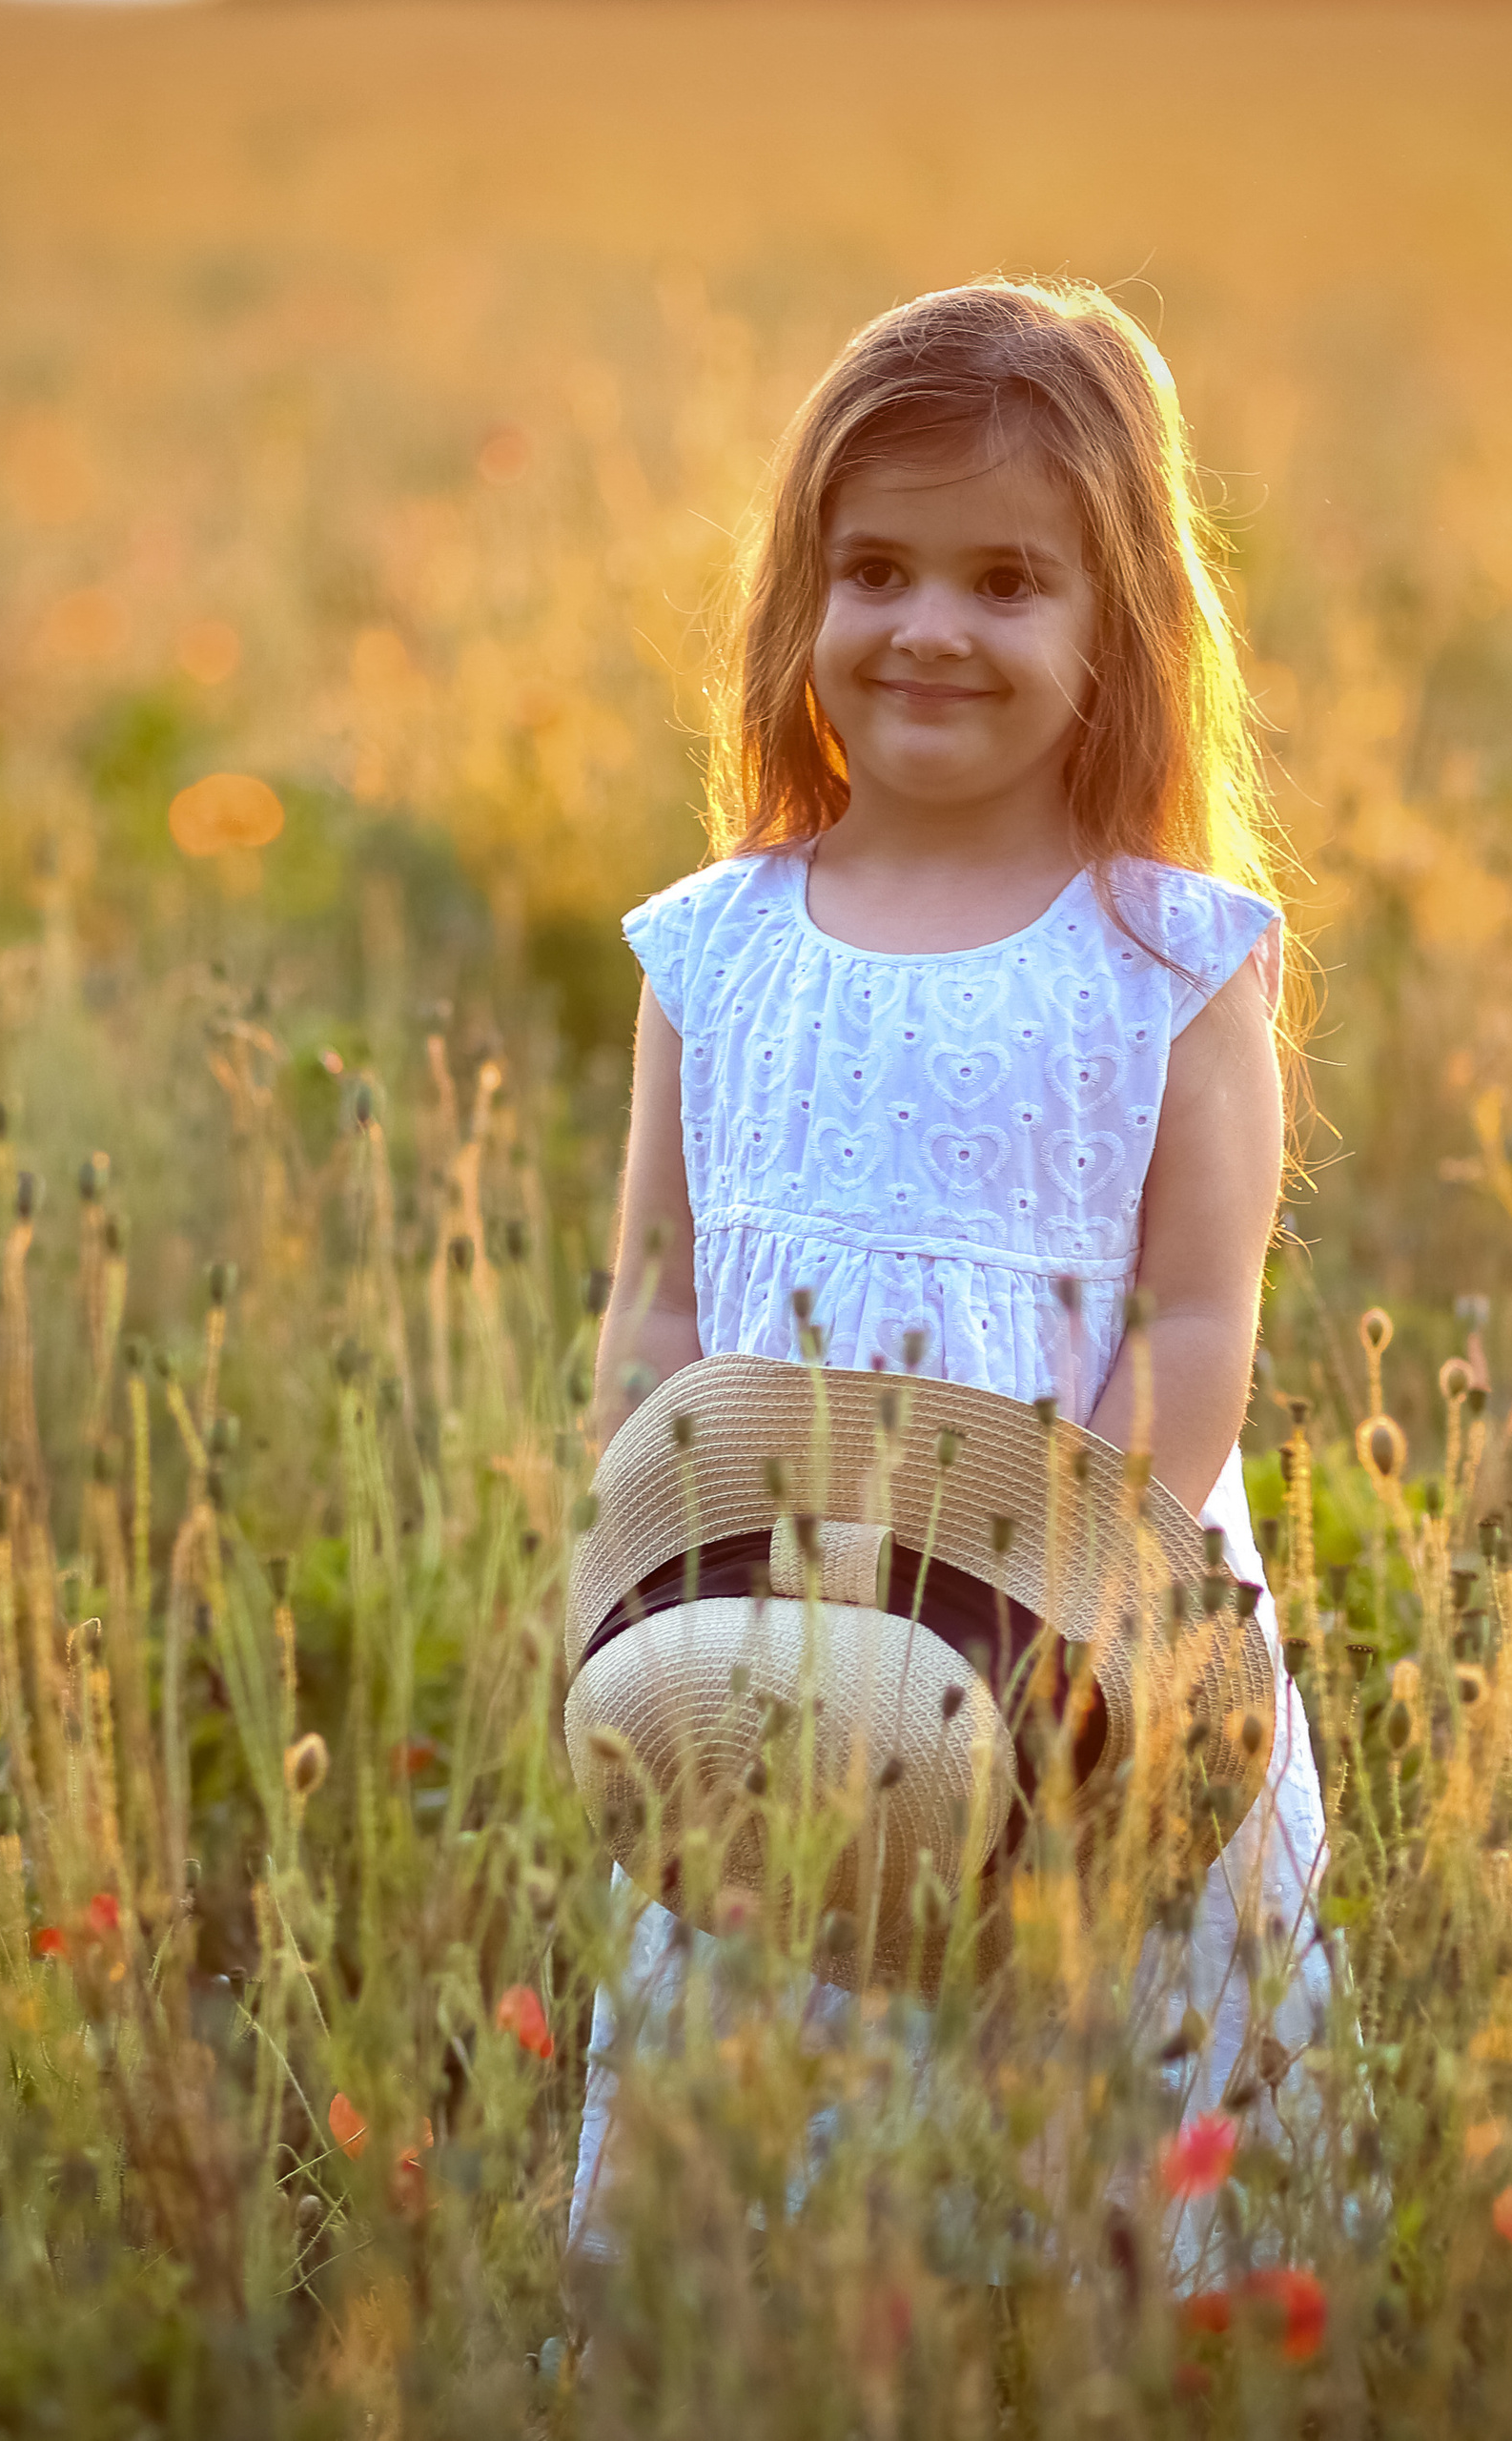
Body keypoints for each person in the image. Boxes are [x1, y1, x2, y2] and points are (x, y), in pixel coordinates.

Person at [568, 276, 1330, 2284]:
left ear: (1114, 633)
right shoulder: (713, 948)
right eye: (875, 568)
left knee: (1093, 2156)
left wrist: (1049, 1668)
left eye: (1006, 580)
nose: (927, 625)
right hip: (769, 1659)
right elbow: (653, 1302)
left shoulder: (1167, 956)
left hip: (1077, 1661)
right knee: (767, 2164)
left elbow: (1192, 1329)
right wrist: (640, 1589)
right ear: (798, 601)